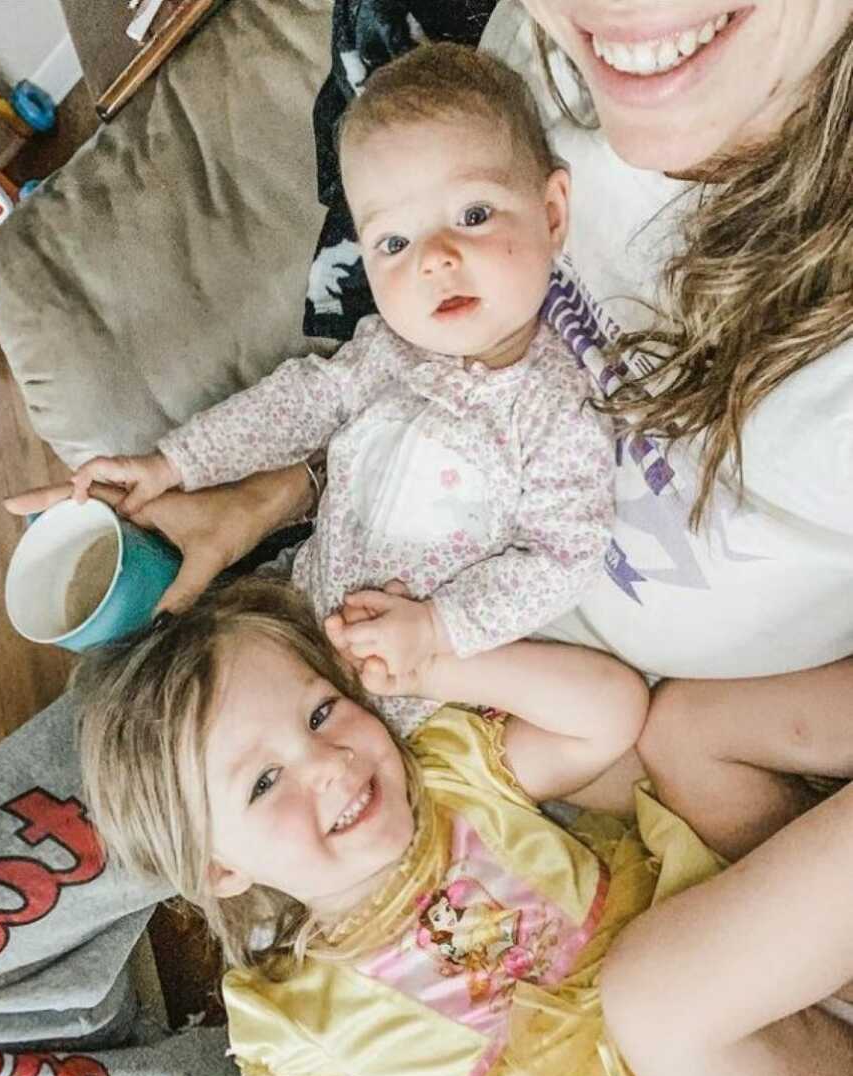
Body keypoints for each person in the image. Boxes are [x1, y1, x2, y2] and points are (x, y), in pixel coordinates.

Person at [74, 575, 853, 1076]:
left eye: (321, 714)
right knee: (649, 1004)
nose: (330, 765)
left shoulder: (451, 776)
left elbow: (614, 710)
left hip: (769, 990)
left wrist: (439, 661)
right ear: (220, 869)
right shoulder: (295, 1006)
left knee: (680, 724)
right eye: (264, 782)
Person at [64, 43, 615, 735]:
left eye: (474, 215)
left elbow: (564, 557)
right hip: (295, 619)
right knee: (169, 715)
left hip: (418, 704)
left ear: (552, 214)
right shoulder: (388, 351)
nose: (434, 260)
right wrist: (174, 462)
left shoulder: (557, 411)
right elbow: (297, 403)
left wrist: (441, 629)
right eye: (393, 244)